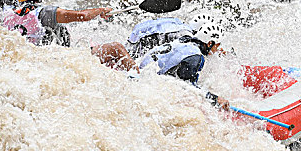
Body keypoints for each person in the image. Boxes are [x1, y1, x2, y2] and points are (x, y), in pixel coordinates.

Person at [91, 17, 229, 109]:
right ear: (209, 43)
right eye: (217, 46)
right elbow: (187, 86)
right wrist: (214, 99)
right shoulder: (196, 57)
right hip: (142, 83)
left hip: (138, 69)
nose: (217, 50)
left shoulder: (183, 40)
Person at [3, 0, 112, 47]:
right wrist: (101, 10)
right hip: (44, 57)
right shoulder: (46, 12)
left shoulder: (7, 15)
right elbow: (83, 16)